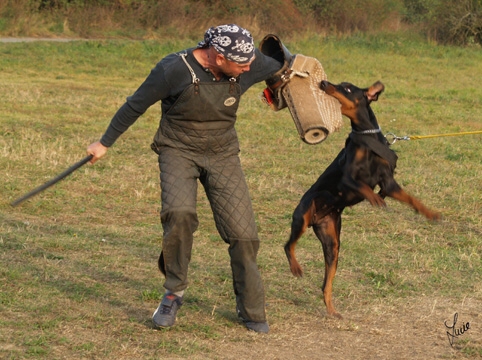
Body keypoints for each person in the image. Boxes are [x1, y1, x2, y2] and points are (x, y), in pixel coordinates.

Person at [87, 24, 286, 333]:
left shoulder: (247, 61)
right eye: (242, 64)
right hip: (177, 149)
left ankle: (251, 307)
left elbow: (284, 64)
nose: (249, 68)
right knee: (179, 214)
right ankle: (173, 292)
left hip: (222, 152)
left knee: (243, 233)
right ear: (218, 58)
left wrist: (297, 85)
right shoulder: (172, 70)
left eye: (250, 62)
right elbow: (135, 104)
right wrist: (104, 143)